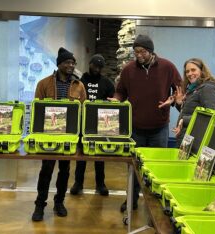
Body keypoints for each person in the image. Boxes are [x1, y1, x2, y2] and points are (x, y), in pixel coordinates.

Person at [108, 34, 182, 211]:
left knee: (156, 169)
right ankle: (131, 199)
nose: (138, 55)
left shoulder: (167, 67)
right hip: (136, 129)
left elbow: (179, 90)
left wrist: (172, 99)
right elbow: (121, 91)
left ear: (150, 51)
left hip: (159, 128)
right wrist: (117, 100)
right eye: (136, 51)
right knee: (134, 167)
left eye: (142, 51)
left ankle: (155, 204)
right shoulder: (128, 69)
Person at [32, 47, 86, 221]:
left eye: (72, 63)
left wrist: (80, 137)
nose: (70, 65)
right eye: (67, 62)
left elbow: (84, 110)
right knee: (46, 170)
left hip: (69, 137)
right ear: (59, 64)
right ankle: (40, 205)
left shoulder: (79, 85)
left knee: (65, 170)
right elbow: (37, 110)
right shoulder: (43, 83)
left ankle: (59, 202)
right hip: (48, 136)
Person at [70, 54, 115, 196]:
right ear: (90, 64)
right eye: (95, 65)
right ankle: (78, 183)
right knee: (81, 155)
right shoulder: (81, 81)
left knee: (99, 155)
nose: (96, 69)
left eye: (100, 66)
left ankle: (100, 184)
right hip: (82, 124)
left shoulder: (107, 83)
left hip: (100, 126)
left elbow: (112, 101)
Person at [164, 58, 215, 146]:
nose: (190, 74)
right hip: (187, 139)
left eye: (193, 70)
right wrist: (179, 103)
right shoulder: (194, 89)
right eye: (187, 71)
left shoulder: (208, 88)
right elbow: (190, 112)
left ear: (202, 71)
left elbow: (211, 116)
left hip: (197, 142)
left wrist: (184, 120)